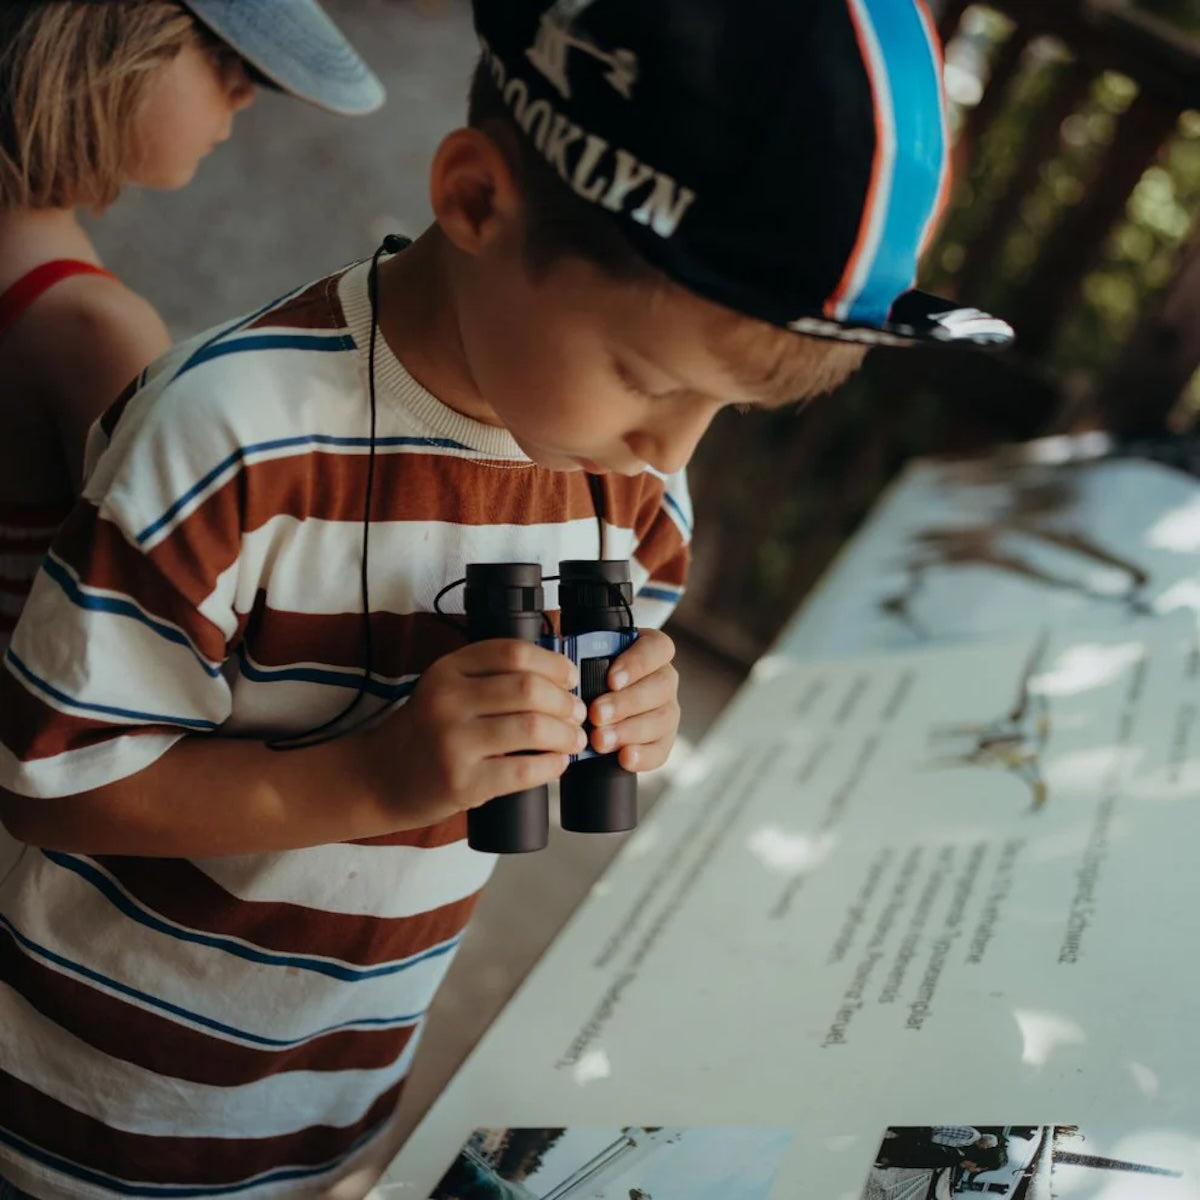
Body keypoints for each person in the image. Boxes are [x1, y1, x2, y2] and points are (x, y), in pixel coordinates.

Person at [0, 0, 1013, 1196]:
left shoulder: (633, 487)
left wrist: (632, 713)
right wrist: (370, 780)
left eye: (722, 412)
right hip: (81, 1112)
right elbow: (49, 781)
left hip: (329, 1108)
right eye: (645, 378)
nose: (668, 449)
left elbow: (598, 687)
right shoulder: (230, 438)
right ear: (476, 201)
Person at [0, 0, 383, 645]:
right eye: (219, 53)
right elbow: (153, 642)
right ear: (103, 35)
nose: (243, 93)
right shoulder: (92, 331)